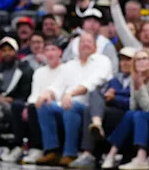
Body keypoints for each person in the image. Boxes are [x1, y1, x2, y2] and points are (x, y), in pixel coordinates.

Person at [35, 32, 113, 166]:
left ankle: (70, 153)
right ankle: (52, 151)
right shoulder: (70, 65)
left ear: (95, 46)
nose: (85, 44)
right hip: (66, 103)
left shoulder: (102, 61)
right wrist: (46, 94)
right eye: (82, 42)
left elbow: (92, 83)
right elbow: (57, 86)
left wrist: (70, 94)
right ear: (77, 46)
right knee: (44, 104)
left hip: (89, 107)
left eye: (89, 41)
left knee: (71, 105)